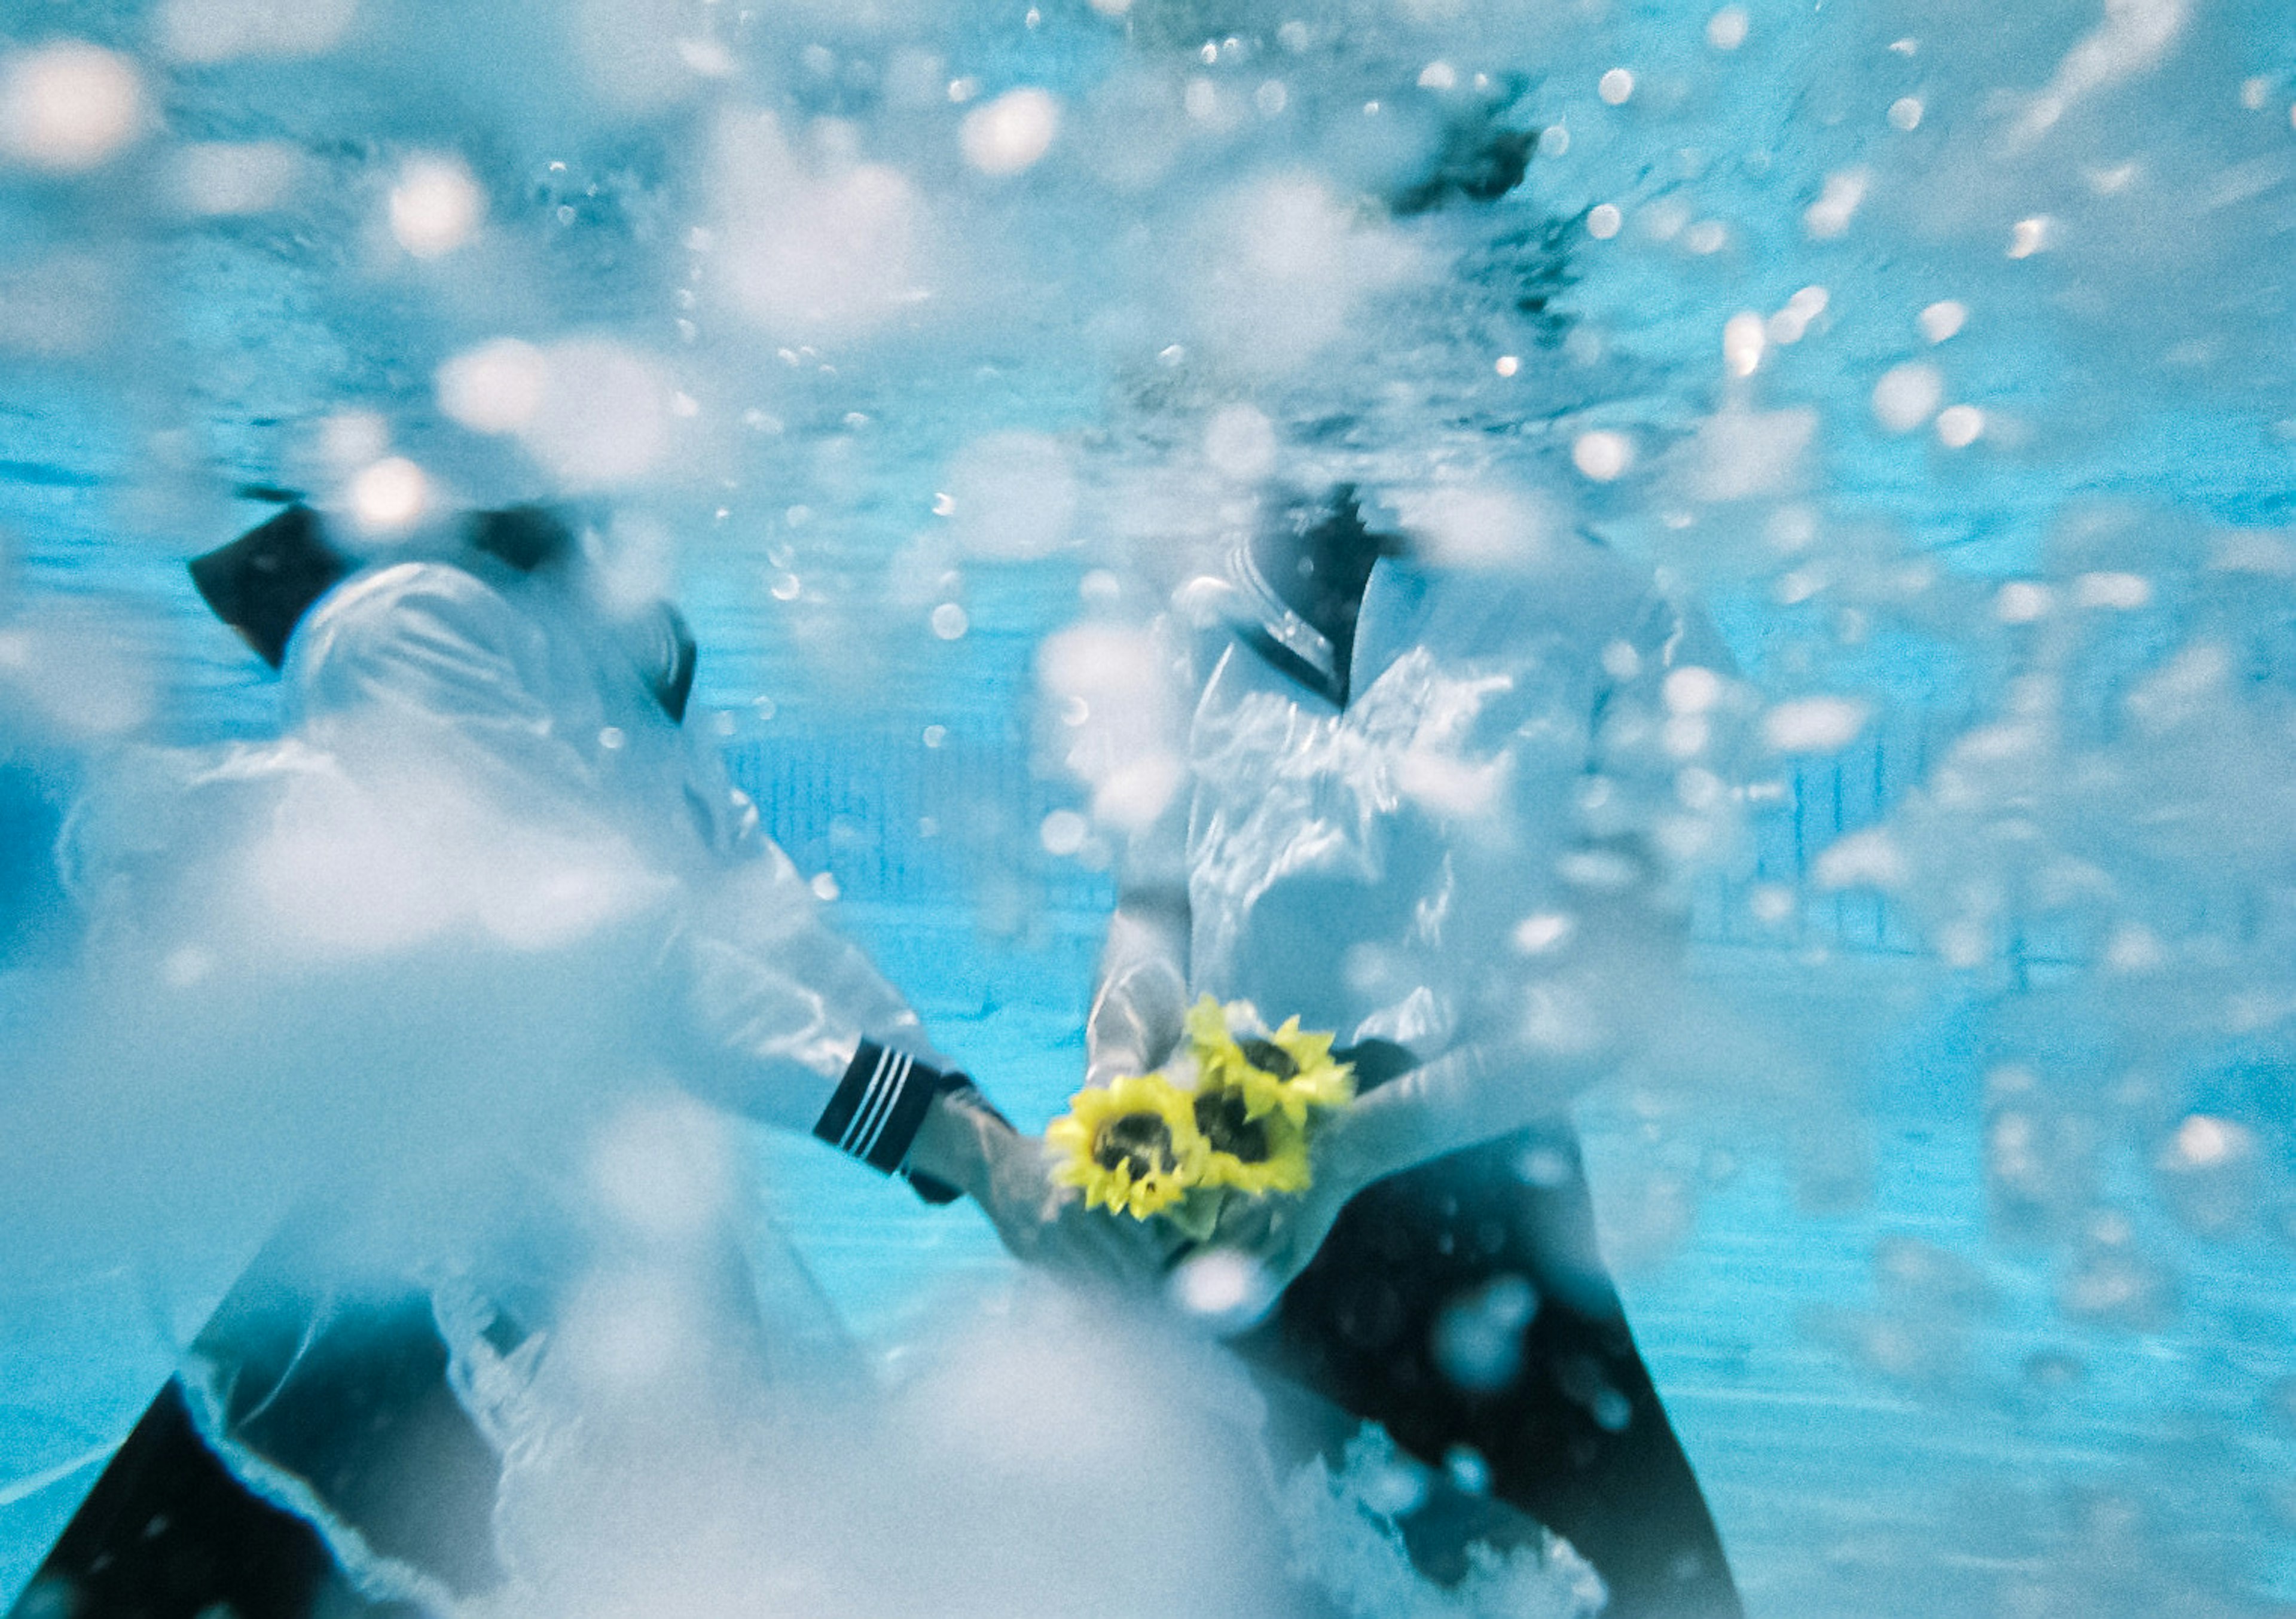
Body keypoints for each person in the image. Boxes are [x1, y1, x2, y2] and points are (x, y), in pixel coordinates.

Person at [14, 499, 1130, 1619]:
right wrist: (950, 1142)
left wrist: (983, 1138)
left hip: (617, 1237)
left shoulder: (600, 627)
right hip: (441, 1269)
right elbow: (607, 958)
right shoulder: (396, 622)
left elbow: (759, 915)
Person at [1080, 485, 1745, 1618]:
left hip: (1476, 1183)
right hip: (1233, 1205)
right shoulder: (1196, 620)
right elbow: (1153, 900)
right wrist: (1120, 1050)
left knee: (1666, 1594)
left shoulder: (1608, 606)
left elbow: (1614, 994)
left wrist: (1352, 1149)